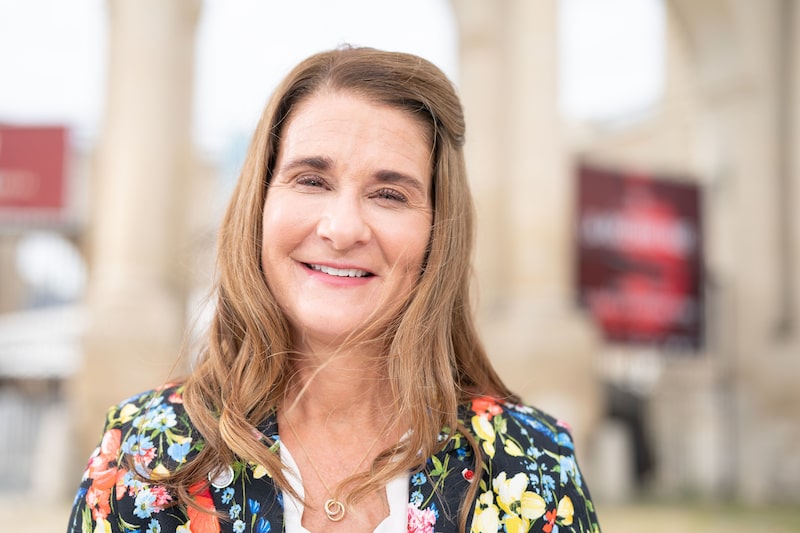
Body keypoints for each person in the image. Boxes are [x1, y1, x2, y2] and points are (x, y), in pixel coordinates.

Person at [67, 46, 601, 533]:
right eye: (312, 180)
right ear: (259, 205)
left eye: (389, 194)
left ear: (439, 232)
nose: (342, 229)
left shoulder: (533, 460)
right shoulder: (142, 453)